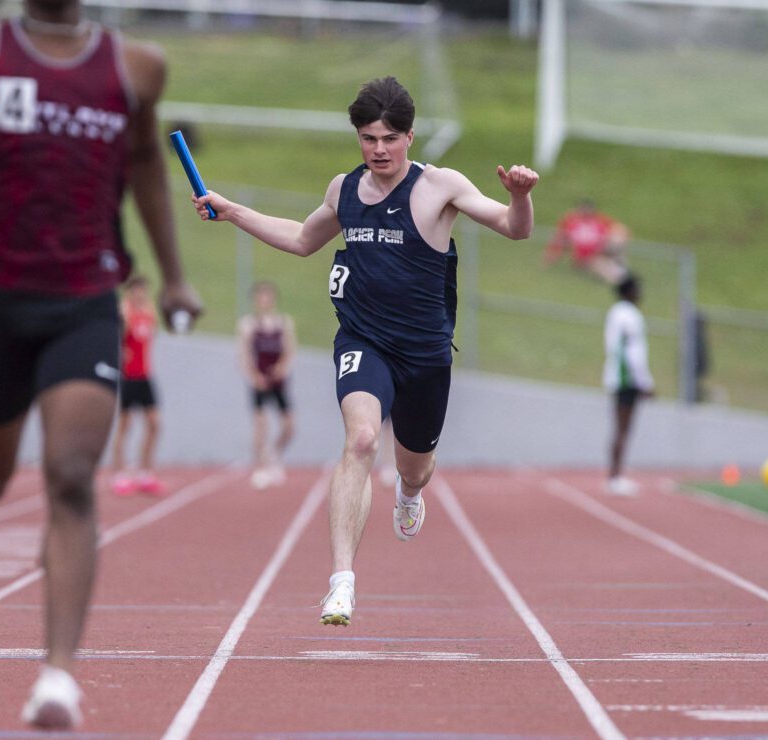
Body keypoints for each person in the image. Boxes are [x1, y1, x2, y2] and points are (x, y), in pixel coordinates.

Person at [0, 0, 202, 729]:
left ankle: (57, 680)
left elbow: (145, 171)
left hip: (85, 299)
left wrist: (172, 275)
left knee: (71, 475)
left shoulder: (135, 67)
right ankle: (56, 672)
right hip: (2, 301)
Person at [191, 76, 538, 626]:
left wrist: (519, 197)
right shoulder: (343, 190)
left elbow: (513, 230)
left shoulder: (439, 187)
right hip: (363, 341)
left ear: (410, 137)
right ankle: (341, 584)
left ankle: (407, 492)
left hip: (425, 354)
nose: (379, 150)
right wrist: (233, 211)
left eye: (391, 138)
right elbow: (303, 239)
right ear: (358, 136)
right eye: (369, 138)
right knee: (360, 439)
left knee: (415, 467)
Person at [237, 280, 296, 489]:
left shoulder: (284, 323)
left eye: (268, 296)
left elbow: (290, 351)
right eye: (260, 296)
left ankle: (274, 456)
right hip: (259, 381)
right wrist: (254, 377)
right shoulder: (248, 325)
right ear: (255, 300)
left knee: (289, 426)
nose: (264, 300)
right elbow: (243, 355)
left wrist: (281, 368)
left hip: (279, 381)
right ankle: (260, 467)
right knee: (260, 425)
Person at [110, 274, 165, 495]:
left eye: (143, 289)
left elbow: (153, 335)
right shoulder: (126, 312)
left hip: (145, 375)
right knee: (125, 425)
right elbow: (118, 337)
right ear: (130, 291)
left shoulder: (148, 314)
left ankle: (145, 472)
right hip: (128, 376)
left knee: (154, 424)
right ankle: (120, 474)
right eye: (136, 289)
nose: (140, 293)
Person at [603, 273, 654, 496]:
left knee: (620, 429)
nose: (640, 293)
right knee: (623, 429)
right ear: (628, 291)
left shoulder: (615, 313)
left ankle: (615, 475)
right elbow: (632, 351)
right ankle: (616, 477)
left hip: (618, 376)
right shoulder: (630, 315)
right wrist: (644, 381)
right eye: (637, 289)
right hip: (627, 378)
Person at [545, 198, 629, 284]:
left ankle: (622, 273)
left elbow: (619, 228)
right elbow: (559, 239)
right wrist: (551, 258)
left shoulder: (599, 221)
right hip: (586, 258)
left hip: (602, 252)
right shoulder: (571, 222)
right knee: (603, 266)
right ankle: (621, 279)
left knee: (617, 238)